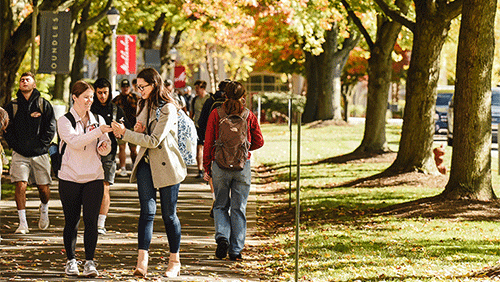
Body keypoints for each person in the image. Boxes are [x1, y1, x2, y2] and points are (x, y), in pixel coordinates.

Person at [111, 68, 187, 278]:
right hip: (145, 163)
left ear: (154, 84)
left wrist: (125, 134)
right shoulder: (143, 103)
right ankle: (141, 262)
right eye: (138, 87)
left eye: (143, 87)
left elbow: (154, 141)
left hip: (167, 165)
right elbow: (143, 133)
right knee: (147, 212)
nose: (139, 90)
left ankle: (174, 261)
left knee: (169, 215)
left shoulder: (168, 108)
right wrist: (136, 129)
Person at [203, 81, 264, 261]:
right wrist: (244, 149)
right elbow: (259, 141)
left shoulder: (216, 114)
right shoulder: (248, 115)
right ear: (243, 96)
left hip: (219, 165)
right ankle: (236, 250)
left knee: (220, 205)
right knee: (239, 208)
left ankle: (222, 237)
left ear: (225, 94)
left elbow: (208, 142)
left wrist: (207, 166)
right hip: (241, 165)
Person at [57, 80, 113, 277]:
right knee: (71, 221)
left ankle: (90, 261)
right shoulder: (64, 121)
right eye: (86, 97)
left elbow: (106, 144)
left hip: (94, 177)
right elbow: (74, 142)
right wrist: (98, 132)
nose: (90, 100)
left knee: (91, 221)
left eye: (92, 97)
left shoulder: (98, 118)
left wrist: (104, 147)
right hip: (70, 177)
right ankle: (71, 260)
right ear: (75, 97)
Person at [4, 72, 57, 235]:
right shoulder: (12, 105)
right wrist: (14, 145)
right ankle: (23, 223)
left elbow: (51, 126)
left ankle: (44, 209)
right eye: (22, 80)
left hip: (40, 153)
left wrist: (43, 145)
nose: (24, 82)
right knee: (20, 185)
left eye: (27, 80)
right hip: (19, 153)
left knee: (43, 189)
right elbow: (6, 127)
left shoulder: (43, 104)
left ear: (34, 85)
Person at [91, 78, 129, 235]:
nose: (102, 96)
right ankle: (91, 220)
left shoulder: (116, 110)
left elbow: (125, 130)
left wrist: (119, 130)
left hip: (109, 154)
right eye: (99, 93)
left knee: (105, 187)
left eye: (105, 92)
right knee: (91, 189)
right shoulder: (89, 108)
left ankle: (101, 223)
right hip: (89, 153)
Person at [197, 79, 231, 217]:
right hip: (231, 144)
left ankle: (215, 198)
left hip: (213, 143)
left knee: (213, 172)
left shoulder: (210, 100)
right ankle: (227, 200)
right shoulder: (236, 102)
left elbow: (201, 121)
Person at [112, 79, 138, 176]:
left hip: (132, 126)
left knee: (133, 149)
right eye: (123, 87)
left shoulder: (135, 98)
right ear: (121, 88)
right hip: (121, 127)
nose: (125, 89)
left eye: (127, 87)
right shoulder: (117, 99)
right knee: (122, 147)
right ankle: (123, 168)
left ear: (129, 87)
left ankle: (135, 167)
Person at [190, 80, 210, 178]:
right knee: (199, 148)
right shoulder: (194, 100)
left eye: (197, 88)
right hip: (198, 127)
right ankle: (200, 170)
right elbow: (191, 113)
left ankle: (208, 170)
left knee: (209, 149)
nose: (196, 90)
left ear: (203, 88)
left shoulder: (209, 99)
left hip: (209, 127)